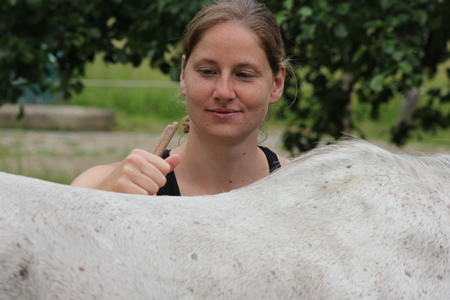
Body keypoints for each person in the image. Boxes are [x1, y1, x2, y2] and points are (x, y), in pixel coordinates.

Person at [71, 0, 292, 196]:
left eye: (244, 74)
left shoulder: (304, 195)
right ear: (184, 75)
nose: (223, 92)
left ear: (277, 84)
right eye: (207, 71)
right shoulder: (97, 186)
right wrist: (101, 202)